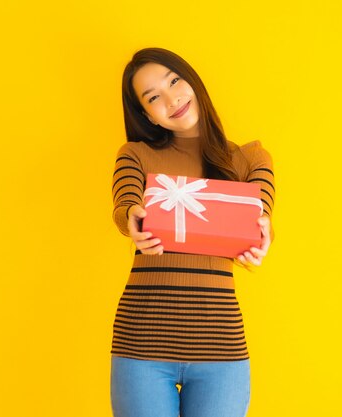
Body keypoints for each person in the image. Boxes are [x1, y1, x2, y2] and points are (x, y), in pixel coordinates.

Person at [109, 47, 276, 417]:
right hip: (141, 346)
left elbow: (261, 216)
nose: (171, 99)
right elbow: (125, 204)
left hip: (220, 349)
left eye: (174, 81)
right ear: (145, 114)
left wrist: (263, 235)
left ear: (192, 82)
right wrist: (133, 218)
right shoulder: (134, 155)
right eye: (153, 97)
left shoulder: (250, 160)